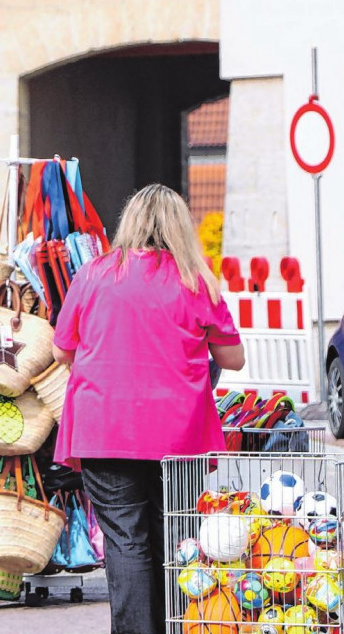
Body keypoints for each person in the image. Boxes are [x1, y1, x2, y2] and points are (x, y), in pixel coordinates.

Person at [51, 184, 245, 634]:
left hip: (105, 428)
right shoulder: (196, 279)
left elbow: (62, 352)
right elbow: (232, 358)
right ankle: (179, 625)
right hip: (179, 435)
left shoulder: (95, 273)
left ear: (130, 221)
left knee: (125, 541)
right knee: (175, 536)